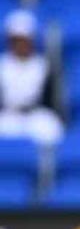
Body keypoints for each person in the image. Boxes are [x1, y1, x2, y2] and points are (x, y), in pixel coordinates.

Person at [0, 9, 63, 146]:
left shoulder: (42, 65)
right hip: (8, 115)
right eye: (17, 40)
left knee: (51, 129)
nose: (21, 45)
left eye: (25, 40)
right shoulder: (2, 65)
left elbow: (49, 100)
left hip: (36, 116)